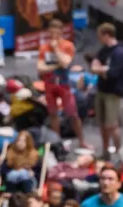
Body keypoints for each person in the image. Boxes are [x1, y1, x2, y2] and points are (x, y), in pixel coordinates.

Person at [37, 19, 86, 147]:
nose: (54, 36)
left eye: (57, 33)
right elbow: (40, 68)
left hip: (64, 85)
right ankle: (57, 142)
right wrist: (56, 66)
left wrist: (55, 48)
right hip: (49, 85)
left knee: (73, 114)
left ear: (61, 32)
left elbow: (65, 63)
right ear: (48, 32)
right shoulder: (43, 48)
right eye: (52, 32)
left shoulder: (68, 46)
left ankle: (82, 141)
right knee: (53, 114)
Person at [89, 23, 123, 156]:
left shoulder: (119, 53)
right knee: (102, 124)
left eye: (100, 35)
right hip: (102, 90)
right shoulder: (103, 50)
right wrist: (102, 70)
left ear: (106, 35)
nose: (98, 38)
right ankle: (105, 151)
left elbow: (113, 74)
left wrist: (101, 70)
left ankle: (119, 152)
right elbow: (94, 64)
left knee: (112, 125)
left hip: (113, 93)